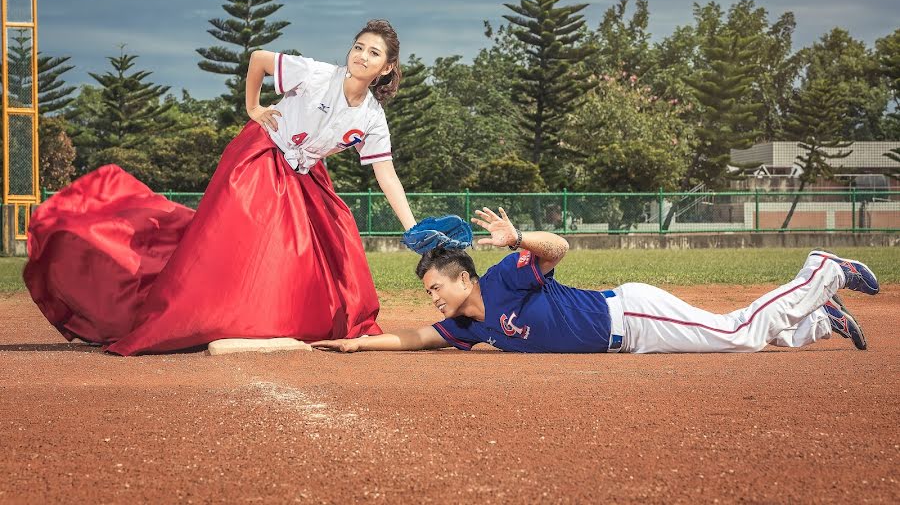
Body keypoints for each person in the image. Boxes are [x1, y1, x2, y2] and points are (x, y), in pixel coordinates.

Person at [25, 19, 418, 355]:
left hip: (305, 174)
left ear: (387, 68)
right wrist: (253, 107)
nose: (362, 56)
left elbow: (386, 174)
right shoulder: (317, 74)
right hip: (262, 155)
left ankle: (287, 314)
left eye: (374, 53)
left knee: (339, 234)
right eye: (359, 47)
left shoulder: (372, 117)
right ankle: (196, 307)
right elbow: (259, 59)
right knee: (241, 245)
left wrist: (411, 228)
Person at [312, 207, 876, 354]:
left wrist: (517, 240)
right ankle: (821, 321)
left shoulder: (508, 276)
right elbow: (413, 338)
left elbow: (560, 249)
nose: (431, 296)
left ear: (463, 276)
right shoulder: (470, 328)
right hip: (632, 340)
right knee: (735, 338)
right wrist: (358, 343)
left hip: (628, 315)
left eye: (436, 285)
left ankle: (820, 272)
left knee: (736, 332)